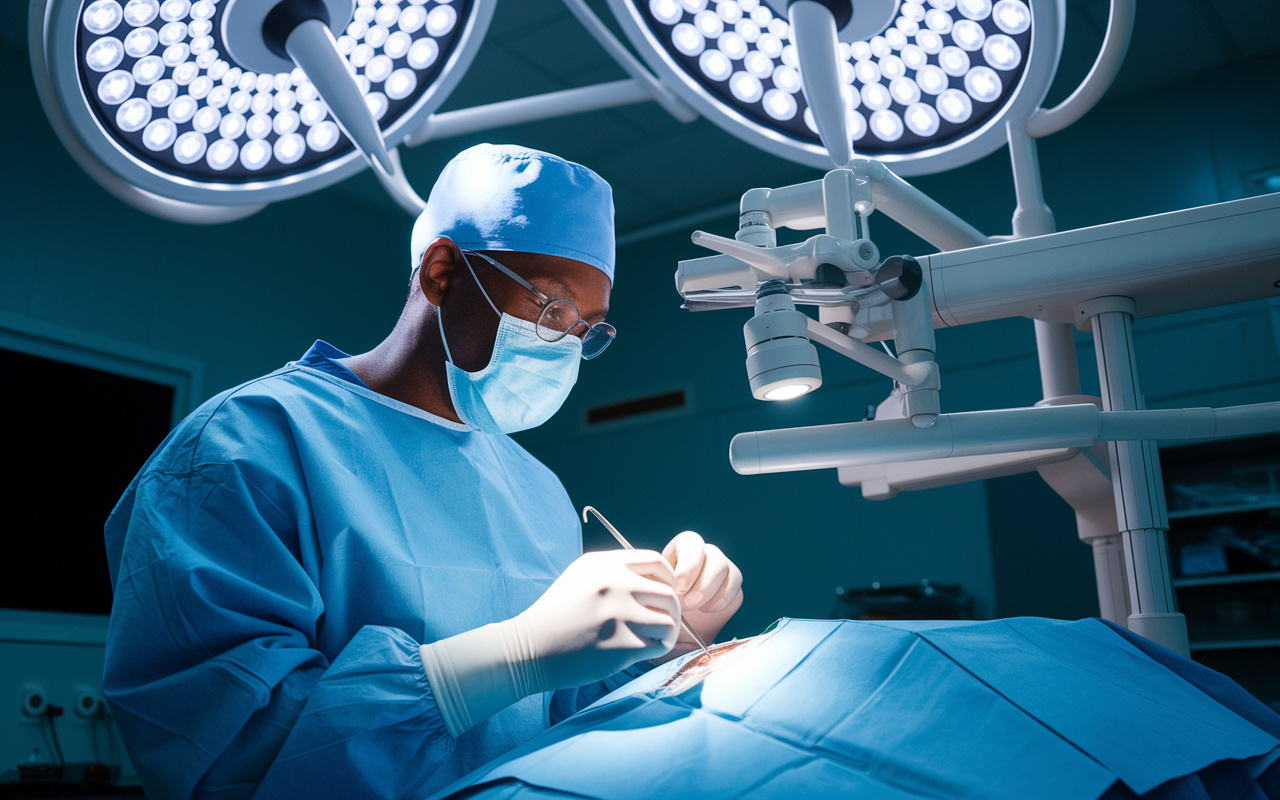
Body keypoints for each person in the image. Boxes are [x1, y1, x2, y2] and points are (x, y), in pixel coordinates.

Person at [101, 144, 744, 800]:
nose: (567, 345)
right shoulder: (245, 446)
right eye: (550, 308)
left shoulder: (536, 488)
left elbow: (557, 717)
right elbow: (225, 747)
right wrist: (513, 654)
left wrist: (658, 641)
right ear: (442, 271)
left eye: (588, 328)